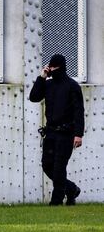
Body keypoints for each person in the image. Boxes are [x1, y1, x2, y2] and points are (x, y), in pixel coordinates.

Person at [29, 53, 84, 206]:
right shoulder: (48, 84)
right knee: (47, 165)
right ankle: (71, 188)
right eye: (50, 67)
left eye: (54, 67)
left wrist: (78, 134)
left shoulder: (72, 86)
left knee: (59, 167)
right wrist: (42, 77)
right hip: (51, 132)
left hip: (67, 133)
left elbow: (79, 112)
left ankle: (56, 202)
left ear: (61, 67)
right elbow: (33, 97)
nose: (51, 69)